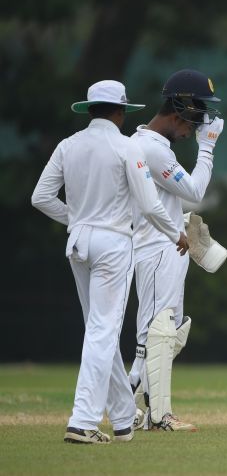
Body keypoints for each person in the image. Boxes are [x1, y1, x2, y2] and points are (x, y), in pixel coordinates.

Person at [31, 80, 187, 444]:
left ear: (90, 110)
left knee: (99, 329)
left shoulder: (68, 145)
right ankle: (83, 420)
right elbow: (150, 205)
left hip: (78, 242)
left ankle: (120, 418)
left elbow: (41, 197)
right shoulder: (127, 146)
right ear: (120, 112)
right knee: (103, 330)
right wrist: (176, 233)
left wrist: (77, 219)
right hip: (114, 244)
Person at [127, 69, 225, 431]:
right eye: (199, 113)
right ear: (180, 107)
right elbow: (197, 190)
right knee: (154, 337)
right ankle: (149, 414)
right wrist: (209, 146)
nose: (200, 124)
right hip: (155, 251)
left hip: (166, 248)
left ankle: (144, 412)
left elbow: (163, 201)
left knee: (167, 336)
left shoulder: (152, 147)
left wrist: (181, 221)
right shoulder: (151, 149)